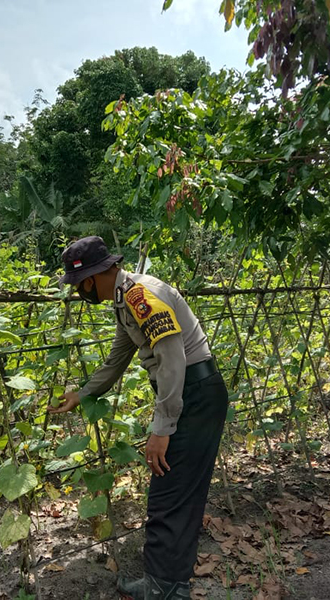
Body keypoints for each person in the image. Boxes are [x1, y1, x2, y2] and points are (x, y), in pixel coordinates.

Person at [49, 235, 229, 600]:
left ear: (90, 280)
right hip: (196, 392)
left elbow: (172, 358)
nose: (78, 292)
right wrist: (82, 393)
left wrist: (162, 428)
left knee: (167, 494)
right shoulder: (124, 300)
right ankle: (172, 584)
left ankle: (163, 587)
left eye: (77, 284)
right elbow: (118, 357)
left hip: (192, 394)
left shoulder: (140, 296)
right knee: (180, 493)